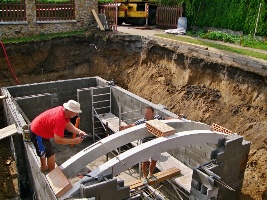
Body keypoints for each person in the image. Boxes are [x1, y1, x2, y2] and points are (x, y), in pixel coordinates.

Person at [119, 106, 184, 183]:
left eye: (148, 113)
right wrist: (125, 127)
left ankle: (150, 174)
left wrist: (177, 118)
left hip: (156, 144)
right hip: (146, 144)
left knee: (154, 160)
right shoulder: (142, 121)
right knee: (145, 161)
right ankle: (144, 177)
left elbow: (167, 119)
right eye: (145, 113)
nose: (146, 115)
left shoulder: (157, 118)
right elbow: (133, 125)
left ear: (153, 113)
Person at [29, 100, 86, 172]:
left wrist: (78, 131)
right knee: (50, 155)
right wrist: (74, 141)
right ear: (70, 110)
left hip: (38, 128)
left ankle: (43, 167)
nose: (76, 114)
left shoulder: (63, 112)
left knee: (43, 150)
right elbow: (58, 140)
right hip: (37, 132)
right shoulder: (60, 119)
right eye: (75, 112)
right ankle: (52, 174)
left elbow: (67, 124)